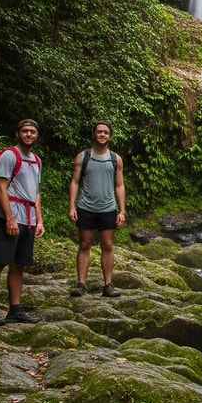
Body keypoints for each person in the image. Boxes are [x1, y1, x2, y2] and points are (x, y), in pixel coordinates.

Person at [0, 119, 45, 324]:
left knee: (19, 264)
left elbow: (35, 192)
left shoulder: (36, 160)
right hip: (10, 215)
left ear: (36, 135)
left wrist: (39, 220)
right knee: (0, 261)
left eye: (32, 132)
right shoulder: (10, 155)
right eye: (25, 131)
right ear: (17, 133)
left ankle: (15, 308)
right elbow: (0, 187)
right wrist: (9, 218)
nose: (29, 135)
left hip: (28, 218)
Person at [68, 121, 125, 298]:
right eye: (99, 132)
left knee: (107, 245)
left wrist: (122, 210)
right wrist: (71, 205)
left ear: (110, 136)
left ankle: (108, 285)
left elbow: (119, 185)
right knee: (84, 244)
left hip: (108, 208)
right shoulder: (83, 157)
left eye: (105, 132)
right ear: (94, 134)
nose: (102, 135)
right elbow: (75, 182)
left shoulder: (115, 159)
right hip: (86, 207)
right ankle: (81, 284)